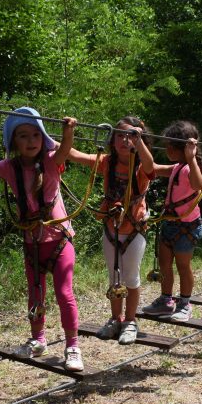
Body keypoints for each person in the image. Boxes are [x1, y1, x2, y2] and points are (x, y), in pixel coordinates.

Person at [0, 109, 84, 371]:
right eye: (23, 135)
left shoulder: (50, 161)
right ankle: (38, 339)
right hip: (33, 242)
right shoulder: (9, 168)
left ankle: (72, 346)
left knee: (64, 293)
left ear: (43, 137)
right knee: (35, 294)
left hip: (59, 238)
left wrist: (69, 131)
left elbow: (64, 151)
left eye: (36, 134)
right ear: (14, 141)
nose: (31, 140)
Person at [68, 117, 155, 345]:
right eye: (120, 135)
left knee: (131, 277)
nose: (125, 140)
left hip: (134, 231)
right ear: (112, 139)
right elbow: (73, 155)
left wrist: (140, 141)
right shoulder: (107, 162)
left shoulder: (141, 167)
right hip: (111, 229)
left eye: (131, 136)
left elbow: (151, 165)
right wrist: (62, 134)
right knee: (114, 277)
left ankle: (130, 321)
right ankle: (115, 319)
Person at [142, 120, 202, 322]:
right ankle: (166, 300)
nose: (167, 148)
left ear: (182, 148)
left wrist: (191, 158)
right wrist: (140, 142)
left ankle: (185, 304)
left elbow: (198, 184)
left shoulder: (189, 168)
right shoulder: (178, 167)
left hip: (187, 226)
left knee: (183, 265)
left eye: (171, 145)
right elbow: (152, 167)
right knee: (165, 263)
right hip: (170, 223)